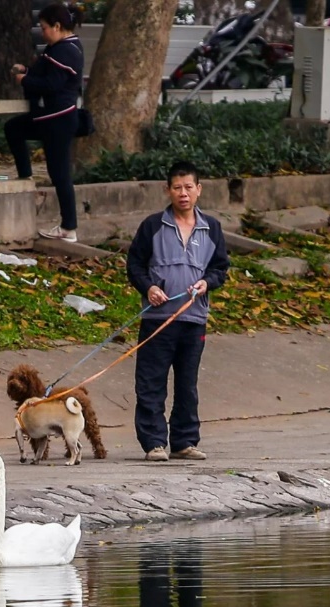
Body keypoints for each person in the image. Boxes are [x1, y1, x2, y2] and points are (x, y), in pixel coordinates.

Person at [126, 161, 231, 463]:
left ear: (199, 189)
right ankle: (154, 443)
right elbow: (134, 264)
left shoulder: (211, 228)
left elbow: (220, 268)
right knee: (151, 382)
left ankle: (184, 441)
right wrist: (148, 288)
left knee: (187, 384)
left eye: (188, 187)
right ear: (167, 190)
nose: (183, 193)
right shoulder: (153, 226)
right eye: (177, 187)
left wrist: (206, 283)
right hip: (157, 320)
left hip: (193, 319)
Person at [4, 2, 84, 243]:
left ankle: (69, 227)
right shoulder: (58, 47)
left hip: (59, 119)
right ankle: (25, 178)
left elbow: (51, 85)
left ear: (58, 26)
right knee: (13, 128)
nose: (42, 32)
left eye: (45, 27)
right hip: (48, 118)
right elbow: (42, 73)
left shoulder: (66, 51)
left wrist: (24, 81)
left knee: (59, 174)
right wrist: (26, 70)